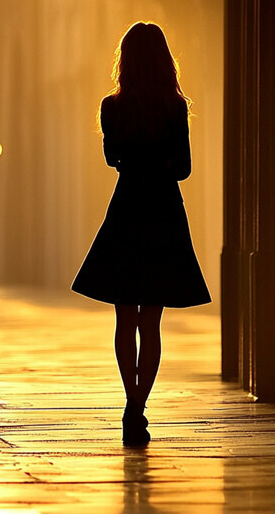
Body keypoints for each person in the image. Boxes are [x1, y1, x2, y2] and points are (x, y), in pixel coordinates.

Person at [72, 22, 211, 446]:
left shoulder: (111, 107)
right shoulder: (174, 107)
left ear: (126, 61)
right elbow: (184, 168)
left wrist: (135, 157)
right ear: (164, 61)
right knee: (152, 322)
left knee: (124, 317)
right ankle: (138, 407)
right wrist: (161, 162)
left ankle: (130, 401)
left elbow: (113, 158)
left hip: (128, 208)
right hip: (164, 211)